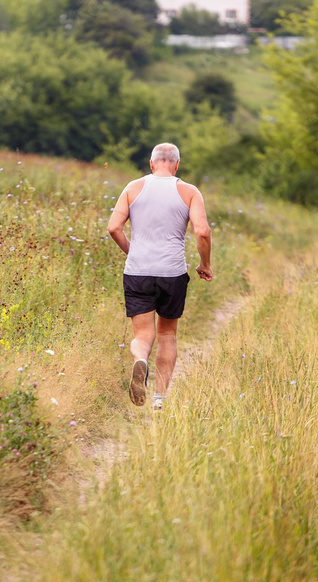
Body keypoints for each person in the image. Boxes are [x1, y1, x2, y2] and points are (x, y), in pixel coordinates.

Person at [107, 143, 212, 409]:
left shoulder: (133, 188)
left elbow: (113, 227)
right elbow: (202, 232)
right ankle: (159, 398)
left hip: (138, 271)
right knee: (167, 335)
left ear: (152, 164)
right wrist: (204, 264)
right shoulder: (189, 191)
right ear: (176, 165)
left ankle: (140, 361)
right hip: (171, 272)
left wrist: (132, 251)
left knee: (142, 335)